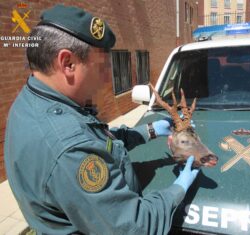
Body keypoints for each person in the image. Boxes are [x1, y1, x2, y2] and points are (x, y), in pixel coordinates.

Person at [4, 4, 199, 235]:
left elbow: (96, 139)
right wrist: (178, 188)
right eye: (103, 67)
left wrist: (151, 130)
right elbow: (135, 227)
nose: (108, 77)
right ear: (68, 64)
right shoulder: (71, 149)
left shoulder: (34, 99)